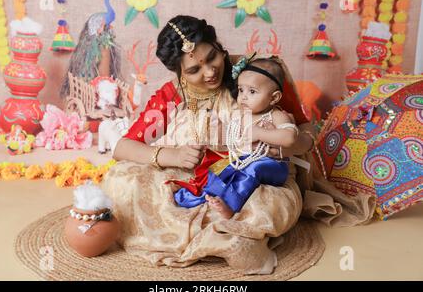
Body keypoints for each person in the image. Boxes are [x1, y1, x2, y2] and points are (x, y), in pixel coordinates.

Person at [102, 15, 358, 274]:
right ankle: (223, 237)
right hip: (194, 173)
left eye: (212, 57)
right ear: (178, 72)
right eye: (194, 70)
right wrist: (174, 155)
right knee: (121, 178)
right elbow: (122, 148)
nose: (211, 72)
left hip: (253, 175)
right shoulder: (173, 94)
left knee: (268, 205)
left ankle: (225, 235)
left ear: (218, 45)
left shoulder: (256, 73)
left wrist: (287, 146)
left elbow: (303, 130)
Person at [172, 55, 301, 219]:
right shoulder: (240, 115)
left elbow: (290, 138)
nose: (244, 97)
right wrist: (214, 132)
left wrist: (260, 133)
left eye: (252, 91)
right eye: (241, 90)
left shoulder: (276, 115)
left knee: (252, 169)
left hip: (271, 165)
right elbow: (228, 138)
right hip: (242, 159)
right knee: (220, 171)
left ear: (274, 97)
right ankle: (194, 197)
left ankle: (231, 206)